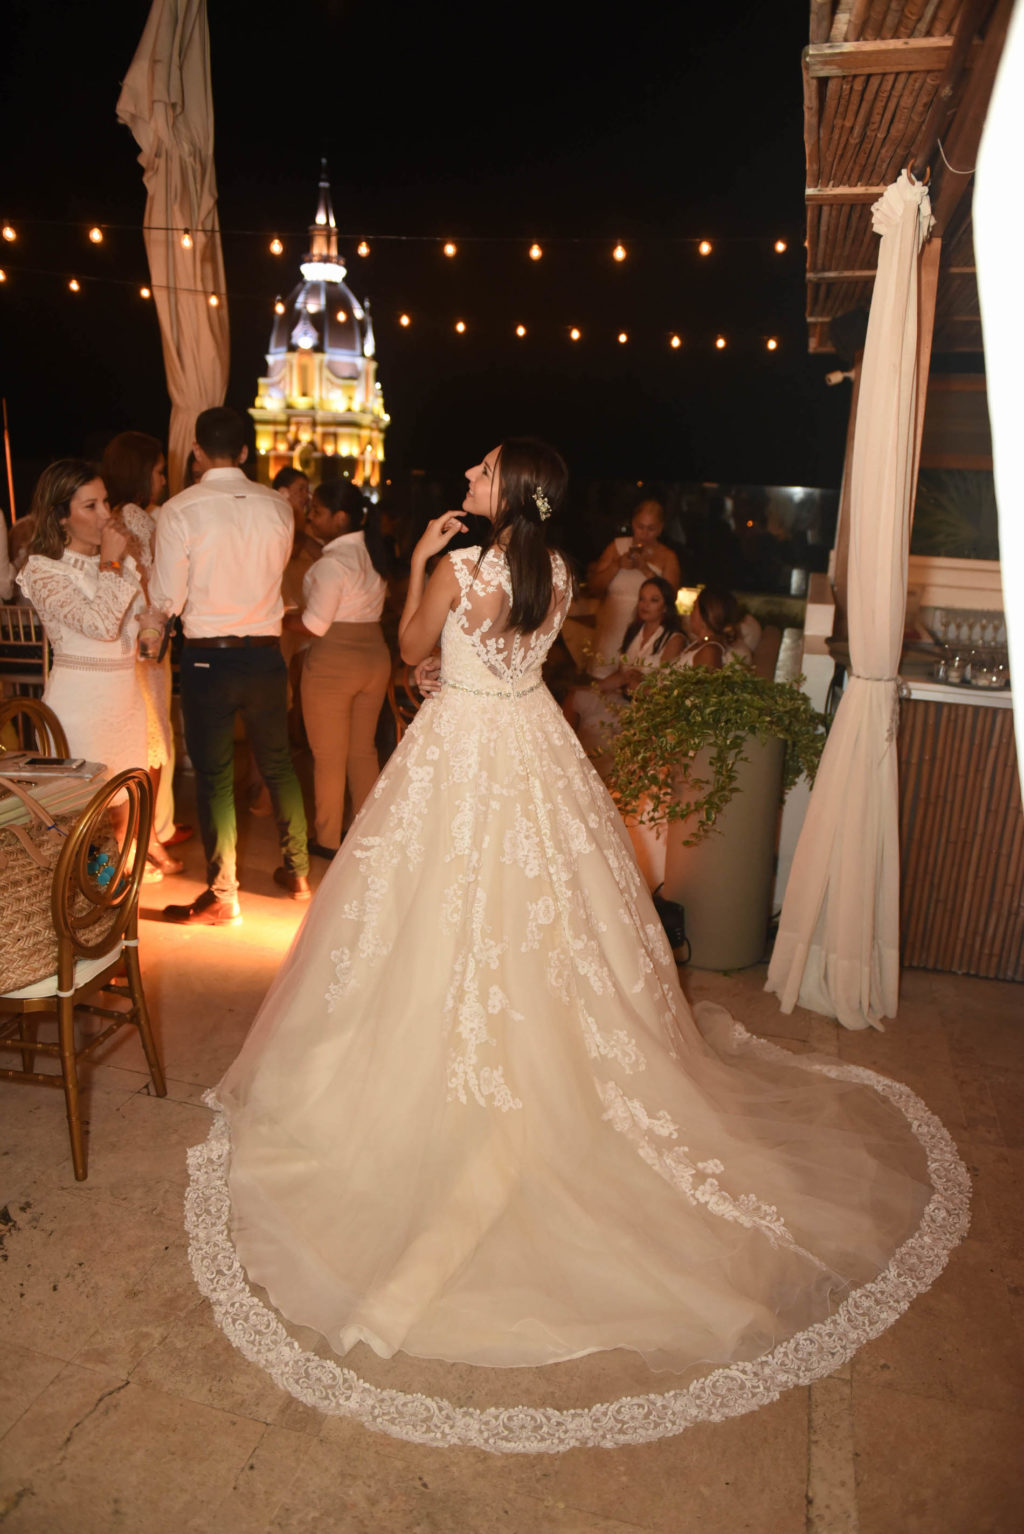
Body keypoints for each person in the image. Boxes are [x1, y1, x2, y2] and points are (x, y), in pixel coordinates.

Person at [184, 437, 967, 1453]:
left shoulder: (466, 565)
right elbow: (485, 655)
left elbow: (420, 640)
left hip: (465, 749)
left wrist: (423, 560)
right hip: (526, 743)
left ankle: (445, 1097)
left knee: (438, 915)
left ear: (507, 491)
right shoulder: (554, 572)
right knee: (540, 919)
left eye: (480, 469)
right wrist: (442, 657)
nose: (466, 473)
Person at [150, 407, 310, 926]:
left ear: (196, 451)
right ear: (246, 452)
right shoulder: (279, 508)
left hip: (207, 659)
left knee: (216, 777)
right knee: (279, 763)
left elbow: (168, 598)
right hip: (265, 654)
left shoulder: (179, 510)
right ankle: (299, 871)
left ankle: (224, 894)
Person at [16, 460, 147, 806]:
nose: (106, 515)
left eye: (106, 501)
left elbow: (135, 621)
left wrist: (154, 628)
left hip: (126, 701)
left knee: (123, 809)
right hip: (80, 708)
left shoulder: (121, 562)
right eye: (91, 506)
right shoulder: (44, 570)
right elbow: (101, 627)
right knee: (80, 817)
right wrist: (111, 563)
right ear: (60, 516)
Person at [283, 480, 392, 858]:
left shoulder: (333, 564)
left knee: (328, 755)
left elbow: (315, 625)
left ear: (339, 517)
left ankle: (327, 840)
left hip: (335, 662)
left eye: (316, 512)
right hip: (374, 656)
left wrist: (278, 620)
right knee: (362, 751)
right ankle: (366, 835)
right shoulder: (372, 554)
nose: (311, 517)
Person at [100, 430, 188, 871]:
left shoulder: (115, 516)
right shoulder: (136, 515)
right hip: (145, 640)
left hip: (125, 639)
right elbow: (158, 583)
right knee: (155, 742)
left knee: (146, 740)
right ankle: (145, 837)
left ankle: (144, 835)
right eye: (157, 471)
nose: (163, 480)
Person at [564, 575, 685, 777]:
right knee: (574, 697)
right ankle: (564, 758)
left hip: (644, 706)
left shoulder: (674, 639)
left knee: (597, 726)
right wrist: (594, 687)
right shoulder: (635, 630)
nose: (645, 605)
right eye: (642, 599)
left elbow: (667, 687)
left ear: (665, 606)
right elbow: (621, 673)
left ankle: (592, 774)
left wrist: (640, 680)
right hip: (621, 693)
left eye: (653, 600)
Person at [585, 498, 681, 676]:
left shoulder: (668, 556)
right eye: (640, 526)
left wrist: (645, 569)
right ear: (632, 524)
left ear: (660, 528)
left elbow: (671, 596)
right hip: (612, 625)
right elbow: (595, 587)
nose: (644, 533)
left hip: (644, 629)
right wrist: (617, 565)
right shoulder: (616, 547)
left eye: (651, 528)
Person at [676, 585, 755, 670]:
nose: (690, 614)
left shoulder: (710, 651)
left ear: (706, 616)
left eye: (694, 608)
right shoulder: (700, 644)